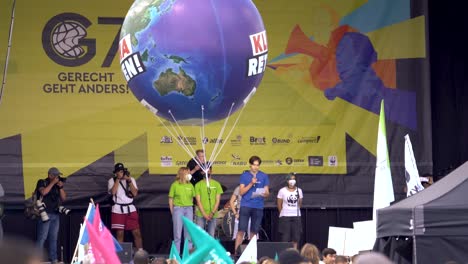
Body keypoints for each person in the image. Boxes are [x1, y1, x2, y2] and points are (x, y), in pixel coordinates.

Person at [234, 156, 270, 253]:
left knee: (254, 231)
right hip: (246, 205)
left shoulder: (264, 176)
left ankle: (251, 253)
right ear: (250, 165)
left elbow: (267, 192)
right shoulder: (244, 176)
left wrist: (265, 193)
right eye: (254, 165)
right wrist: (251, 183)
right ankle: (236, 253)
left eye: (257, 165)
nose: (256, 167)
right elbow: (241, 192)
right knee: (241, 230)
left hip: (258, 206)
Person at [108, 163, 143, 250]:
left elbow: (135, 193)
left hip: (130, 209)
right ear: (115, 173)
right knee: (120, 233)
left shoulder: (131, 179)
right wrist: (118, 179)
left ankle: (141, 254)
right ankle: (120, 257)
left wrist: (129, 180)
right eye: (119, 171)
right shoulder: (111, 180)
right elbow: (113, 192)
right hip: (117, 210)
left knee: (137, 232)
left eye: (122, 171)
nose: (121, 173)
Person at [35, 167, 67, 264]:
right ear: (50, 175)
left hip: (55, 214)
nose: (58, 177)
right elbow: (43, 192)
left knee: (54, 238)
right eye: (56, 176)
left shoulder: (57, 185)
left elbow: (64, 198)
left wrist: (60, 187)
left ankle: (54, 259)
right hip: (45, 214)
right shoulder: (42, 182)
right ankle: (36, 259)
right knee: (42, 238)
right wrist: (52, 183)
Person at [168, 167, 195, 253]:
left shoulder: (190, 185)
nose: (189, 175)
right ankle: (176, 257)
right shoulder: (175, 185)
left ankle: (188, 255)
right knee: (177, 234)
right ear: (182, 174)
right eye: (188, 173)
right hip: (178, 209)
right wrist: (173, 212)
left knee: (189, 234)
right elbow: (171, 199)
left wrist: (190, 208)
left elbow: (192, 198)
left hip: (189, 209)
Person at [195, 167, 223, 237]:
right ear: (201, 172)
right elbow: (198, 201)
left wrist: (212, 212)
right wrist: (204, 214)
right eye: (204, 171)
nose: (206, 173)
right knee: (200, 235)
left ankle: (210, 248)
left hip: (213, 214)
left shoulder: (217, 184)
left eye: (208, 171)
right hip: (201, 214)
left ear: (211, 171)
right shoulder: (198, 185)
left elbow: (217, 200)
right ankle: (200, 248)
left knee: (211, 235)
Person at [277, 173, 303, 249]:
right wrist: (282, 213)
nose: (292, 181)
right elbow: (279, 203)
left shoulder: (299, 190)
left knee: (296, 236)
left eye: (294, 179)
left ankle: (294, 252)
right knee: (286, 236)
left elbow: (300, 203)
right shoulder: (282, 191)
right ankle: (285, 253)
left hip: (296, 215)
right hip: (285, 216)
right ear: (287, 181)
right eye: (291, 179)